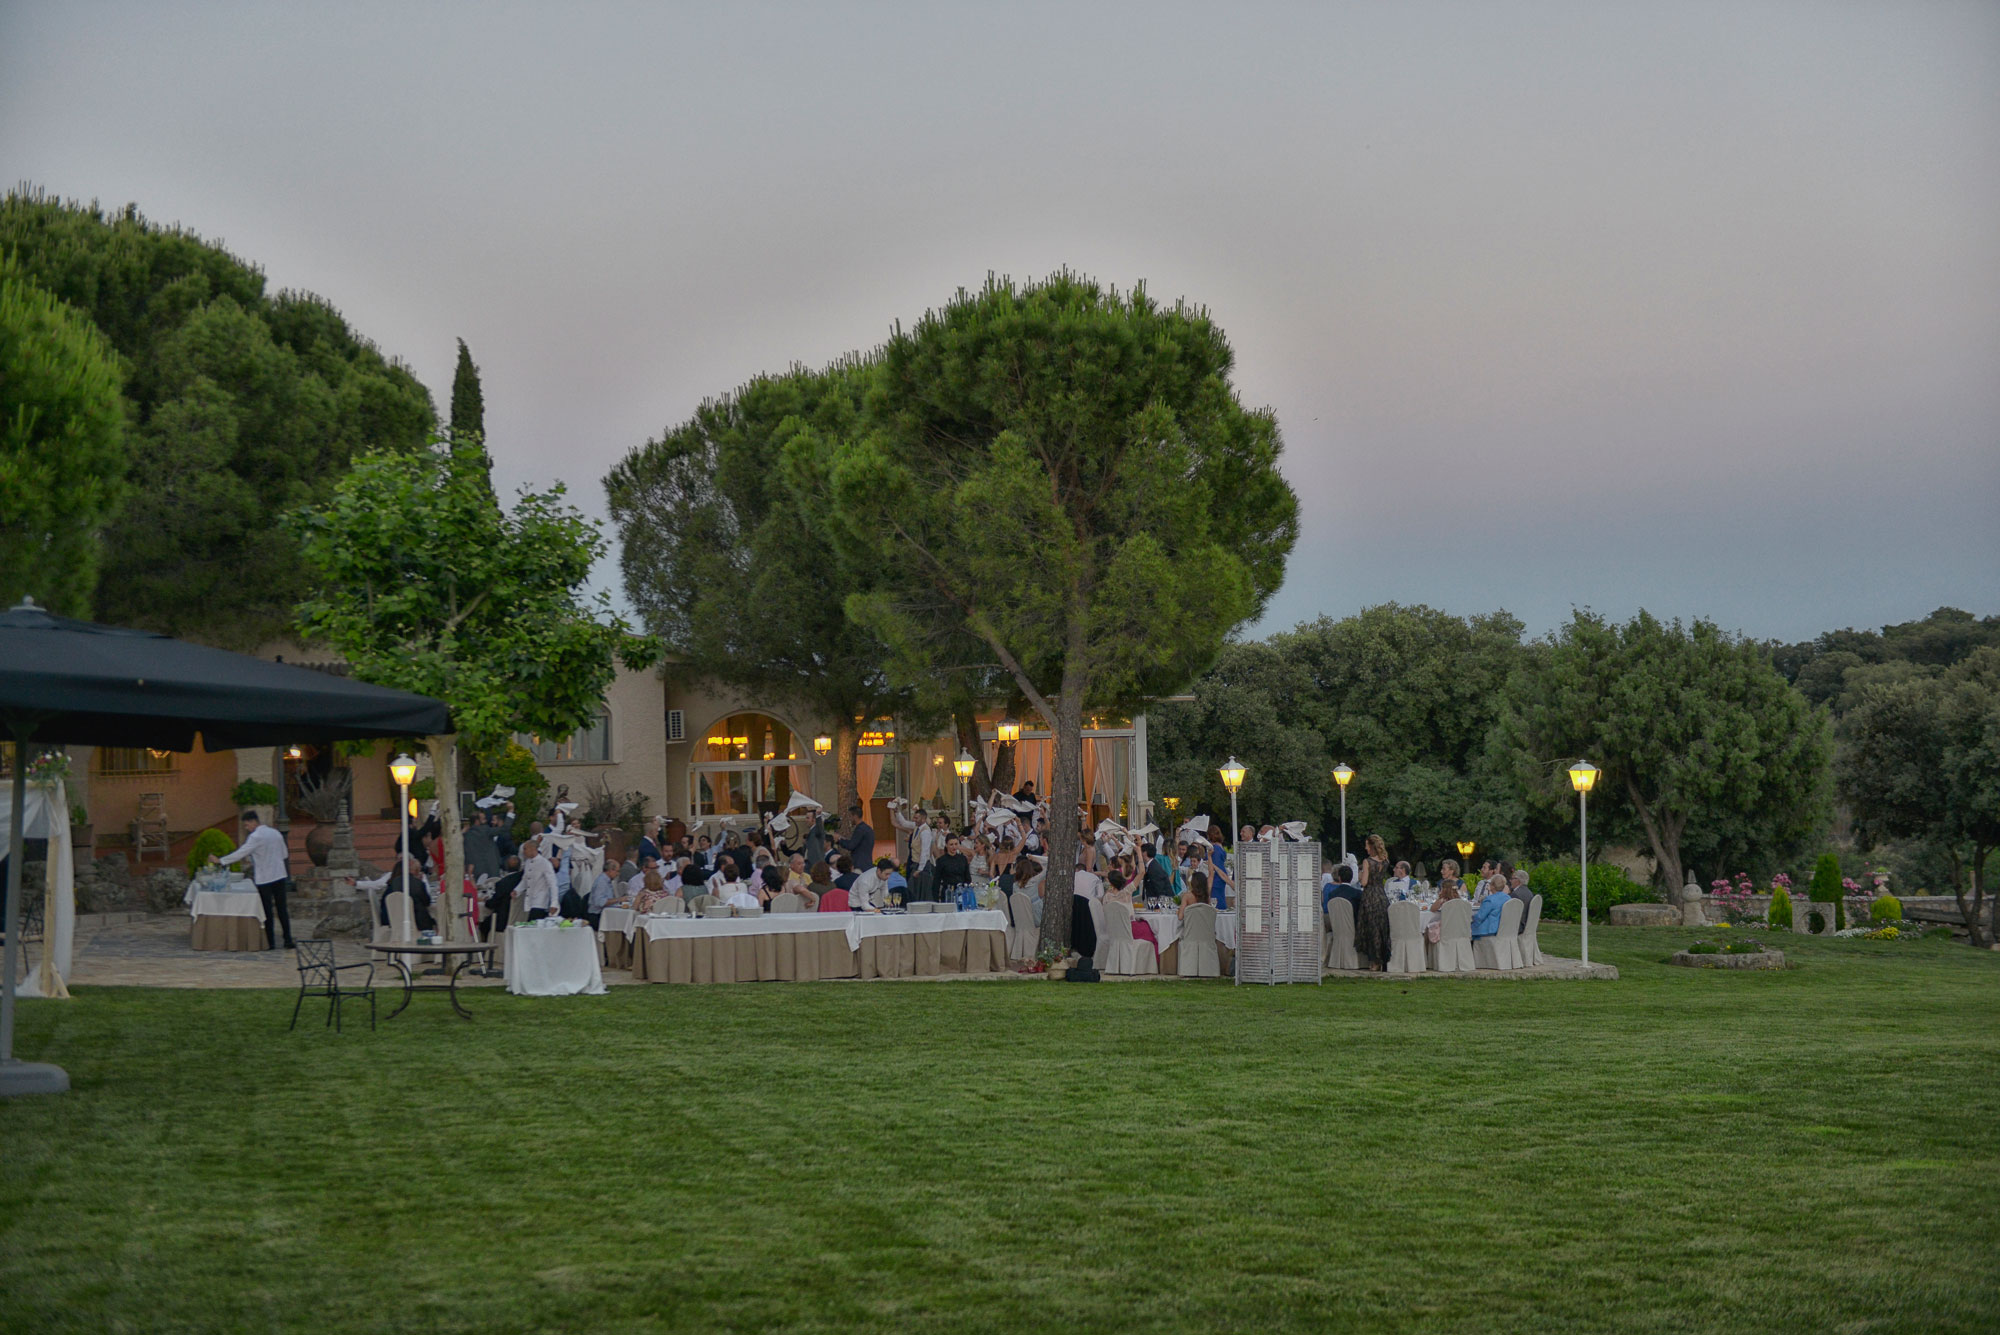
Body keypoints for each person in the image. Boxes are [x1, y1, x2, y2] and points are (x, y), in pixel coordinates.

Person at [215, 810, 294, 950]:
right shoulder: (275, 833)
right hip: (279, 874)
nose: (247, 828)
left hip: (265, 877)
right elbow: (284, 854)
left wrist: (221, 861)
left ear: (253, 822)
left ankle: (270, 942)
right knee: (282, 909)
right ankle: (288, 939)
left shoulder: (255, 837)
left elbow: (241, 852)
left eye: (247, 825)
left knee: (267, 910)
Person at [519, 837, 559, 920]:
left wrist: (554, 903)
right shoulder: (527, 862)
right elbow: (525, 880)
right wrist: (517, 890)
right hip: (530, 900)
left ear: (533, 849)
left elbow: (553, 884)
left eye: (525, 849)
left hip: (540, 901)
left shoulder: (544, 863)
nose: (524, 851)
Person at [483, 854, 522, 939]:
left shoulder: (503, 883)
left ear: (506, 867)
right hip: (521, 919)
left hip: (503, 920)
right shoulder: (523, 879)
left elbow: (493, 903)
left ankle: (486, 949)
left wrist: (486, 901)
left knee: (483, 925)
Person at [932, 835, 972, 902]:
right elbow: (936, 881)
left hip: (961, 893)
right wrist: (936, 900)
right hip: (947, 893)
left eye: (956, 844)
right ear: (946, 845)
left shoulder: (963, 859)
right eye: (951, 844)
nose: (954, 847)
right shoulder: (941, 861)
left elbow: (968, 878)